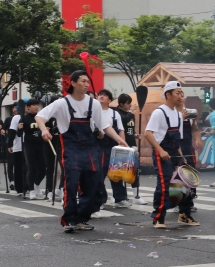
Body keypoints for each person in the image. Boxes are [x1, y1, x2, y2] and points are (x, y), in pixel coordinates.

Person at [36, 71, 126, 232]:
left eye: (87, 82)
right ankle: (70, 219)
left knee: (95, 186)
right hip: (71, 148)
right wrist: (44, 130)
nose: (86, 84)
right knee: (71, 184)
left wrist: (119, 139)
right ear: (73, 82)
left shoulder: (94, 104)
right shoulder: (62, 103)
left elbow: (104, 126)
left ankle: (82, 218)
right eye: (83, 81)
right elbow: (40, 116)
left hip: (91, 148)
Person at [143, 82, 198, 228]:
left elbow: (177, 138)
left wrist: (181, 156)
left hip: (175, 152)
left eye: (181, 93)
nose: (181, 96)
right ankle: (158, 218)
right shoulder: (159, 112)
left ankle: (185, 214)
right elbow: (148, 134)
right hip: (162, 152)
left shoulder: (178, 115)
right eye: (177, 93)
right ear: (168, 95)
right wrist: (160, 151)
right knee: (165, 185)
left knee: (185, 183)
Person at [96, 89, 131, 209]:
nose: (101, 96)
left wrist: (123, 146)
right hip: (99, 146)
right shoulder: (93, 112)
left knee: (117, 173)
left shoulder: (115, 114)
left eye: (105, 95)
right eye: (100, 95)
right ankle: (100, 199)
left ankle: (119, 198)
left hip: (114, 146)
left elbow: (121, 130)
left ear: (109, 100)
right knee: (100, 173)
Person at [117, 93, 147, 205]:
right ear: (121, 104)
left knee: (134, 171)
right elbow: (121, 127)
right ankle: (121, 196)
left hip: (132, 144)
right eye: (128, 103)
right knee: (120, 172)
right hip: (122, 146)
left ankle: (136, 195)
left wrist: (135, 135)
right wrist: (131, 112)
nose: (130, 105)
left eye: (130, 103)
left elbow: (129, 129)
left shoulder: (130, 115)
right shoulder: (118, 114)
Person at [20, 99, 47, 200]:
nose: (36, 107)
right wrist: (20, 128)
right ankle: (31, 190)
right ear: (28, 107)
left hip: (40, 145)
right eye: (33, 105)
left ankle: (36, 184)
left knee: (43, 168)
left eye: (37, 105)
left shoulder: (40, 118)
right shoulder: (24, 118)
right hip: (29, 145)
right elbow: (19, 134)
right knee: (31, 167)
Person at [7, 101, 26, 197]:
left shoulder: (35, 117)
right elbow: (12, 131)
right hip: (18, 146)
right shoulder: (16, 118)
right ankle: (19, 187)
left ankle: (30, 186)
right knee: (19, 167)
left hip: (30, 145)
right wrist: (9, 144)